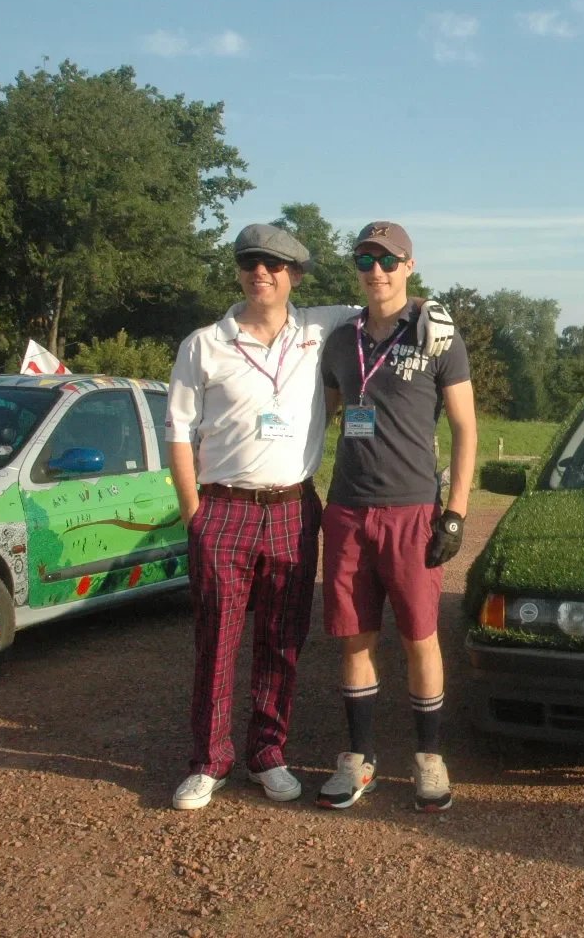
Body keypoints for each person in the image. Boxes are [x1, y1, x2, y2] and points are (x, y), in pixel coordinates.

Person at [165, 224, 360, 811]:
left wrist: (434, 314)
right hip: (222, 506)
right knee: (216, 640)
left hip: (294, 509)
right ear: (239, 270)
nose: (262, 273)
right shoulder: (204, 343)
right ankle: (209, 760)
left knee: (282, 641)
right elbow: (177, 433)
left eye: (275, 265)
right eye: (251, 262)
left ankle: (267, 754)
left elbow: (388, 304)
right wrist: (193, 514)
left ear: (294, 275)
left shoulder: (319, 328)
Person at [316, 220, 476, 812]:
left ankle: (429, 758)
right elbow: (322, 415)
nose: (376, 271)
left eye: (388, 260)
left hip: (412, 511)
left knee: (420, 637)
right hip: (349, 510)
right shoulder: (339, 339)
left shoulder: (437, 335)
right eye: (365, 260)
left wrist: (454, 513)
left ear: (409, 266)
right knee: (354, 639)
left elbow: (465, 428)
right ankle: (359, 759)